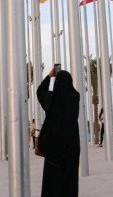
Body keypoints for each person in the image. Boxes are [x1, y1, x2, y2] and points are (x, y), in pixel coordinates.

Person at [37, 69, 80, 197]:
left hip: (54, 149)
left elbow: (40, 91)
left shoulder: (52, 99)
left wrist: (50, 76)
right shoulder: (75, 97)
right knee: (70, 181)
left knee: (53, 182)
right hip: (72, 146)